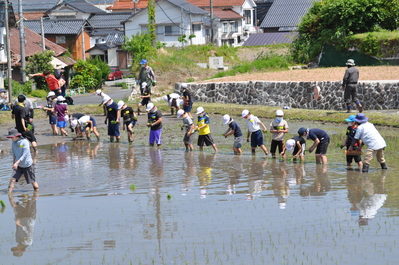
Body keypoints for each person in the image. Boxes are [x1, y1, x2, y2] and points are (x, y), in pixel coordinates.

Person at [6, 128, 39, 193]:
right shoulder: (13, 143)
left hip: (27, 165)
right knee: (12, 180)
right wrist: (14, 163)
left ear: (16, 136)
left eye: (11, 137)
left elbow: (25, 155)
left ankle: (36, 193)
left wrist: (16, 163)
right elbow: (14, 154)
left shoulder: (25, 142)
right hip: (18, 165)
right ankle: (10, 195)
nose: (11, 139)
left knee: (33, 183)